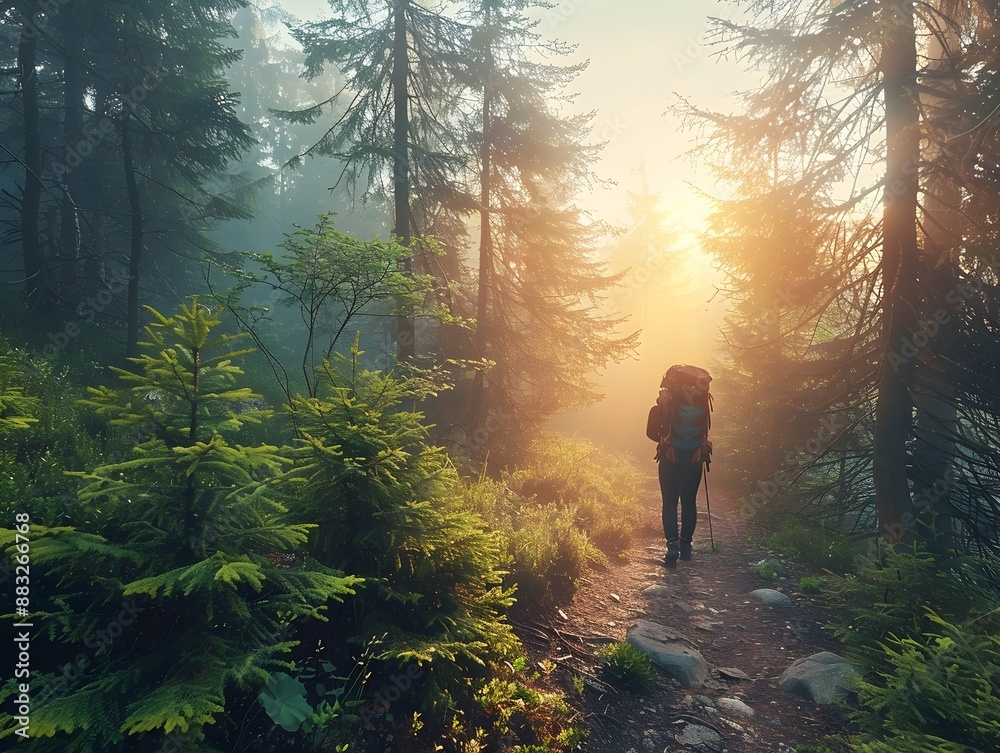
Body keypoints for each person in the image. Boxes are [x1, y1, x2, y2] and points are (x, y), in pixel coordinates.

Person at [646, 367, 712, 568]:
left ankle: (672, 545)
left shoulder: (661, 406)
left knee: (669, 502)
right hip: (694, 459)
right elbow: (706, 430)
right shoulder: (702, 404)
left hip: (669, 458)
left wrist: (664, 440)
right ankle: (686, 547)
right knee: (689, 502)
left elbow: (650, 433)